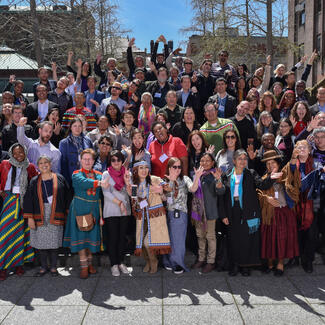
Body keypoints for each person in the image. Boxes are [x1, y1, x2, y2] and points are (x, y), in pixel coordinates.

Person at [219, 149, 274, 276]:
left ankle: (245, 266)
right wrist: (223, 215)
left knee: (247, 239)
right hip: (232, 210)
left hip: (248, 210)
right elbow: (221, 197)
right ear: (234, 161)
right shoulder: (226, 174)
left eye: (245, 159)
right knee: (233, 239)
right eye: (240, 158)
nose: (242, 161)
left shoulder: (251, 173)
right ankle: (235, 265)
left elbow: (262, 185)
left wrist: (271, 176)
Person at [63, 149, 109, 279]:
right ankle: (83, 267)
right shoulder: (76, 174)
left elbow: (108, 182)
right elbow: (82, 183)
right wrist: (99, 183)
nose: (88, 161)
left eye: (90, 159)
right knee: (82, 237)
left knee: (90, 237)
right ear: (80, 160)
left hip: (94, 209)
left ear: (94, 161)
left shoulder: (99, 174)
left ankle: (89, 264)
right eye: (85, 159)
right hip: (80, 208)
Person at [23, 156, 70, 277]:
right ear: (38, 166)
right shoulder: (34, 181)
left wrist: (68, 212)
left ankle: (54, 267)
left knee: (54, 243)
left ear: (50, 164)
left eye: (46, 162)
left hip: (56, 213)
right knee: (41, 244)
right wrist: (30, 218)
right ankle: (43, 267)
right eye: (41, 163)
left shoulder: (60, 178)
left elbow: (67, 196)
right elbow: (28, 200)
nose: (44, 165)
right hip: (40, 214)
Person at [257, 150, 299, 276]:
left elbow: (292, 169)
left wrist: (293, 157)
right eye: (268, 164)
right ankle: (270, 263)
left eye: (273, 163)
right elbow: (258, 193)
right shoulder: (264, 179)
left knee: (282, 239)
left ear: (278, 164)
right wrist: (266, 198)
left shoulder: (285, 175)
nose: (270, 166)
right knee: (269, 239)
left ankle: (280, 264)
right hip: (269, 214)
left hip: (284, 212)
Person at [0, 144, 38, 281]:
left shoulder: (30, 166)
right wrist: (1, 191)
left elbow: (35, 182)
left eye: (21, 152)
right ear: (11, 153)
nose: (18, 155)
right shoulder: (5, 164)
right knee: (5, 234)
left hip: (24, 202)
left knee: (22, 234)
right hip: (9, 201)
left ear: (25, 152)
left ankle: (18, 265)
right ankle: (2, 267)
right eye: (15, 153)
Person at [129, 160, 171, 274]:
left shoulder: (155, 179)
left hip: (155, 216)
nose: (144, 170)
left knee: (148, 242)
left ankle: (154, 261)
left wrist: (162, 190)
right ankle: (147, 261)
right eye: (140, 168)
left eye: (146, 167)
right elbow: (134, 203)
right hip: (142, 218)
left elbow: (168, 189)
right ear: (136, 171)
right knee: (141, 243)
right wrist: (139, 202)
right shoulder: (134, 185)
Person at [162, 157, 203, 274]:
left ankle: (177, 264)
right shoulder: (164, 179)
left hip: (180, 213)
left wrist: (197, 177)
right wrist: (169, 182)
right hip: (167, 213)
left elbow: (193, 189)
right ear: (169, 168)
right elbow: (164, 198)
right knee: (168, 238)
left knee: (178, 240)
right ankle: (168, 261)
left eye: (179, 167)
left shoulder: (184, 179)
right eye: (174, 167)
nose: (177, 169)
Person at [191, 153, 225, 273]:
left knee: (210, 237)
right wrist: (196, 177)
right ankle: (201, 258)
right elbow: (192, 190)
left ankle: (211, 261)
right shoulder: (196, 174)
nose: (204, 163)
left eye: (207, 161)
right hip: (198, 212)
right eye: (202, 161)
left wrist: (218, 180)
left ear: (212, 163)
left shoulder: (214, 175)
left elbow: (221, 191)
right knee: (200, 236)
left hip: (210, 212)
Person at [287, 141, 317, 273]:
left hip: (312, 204)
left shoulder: (316, 163)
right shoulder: (292, 163)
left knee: (311, 234)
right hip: (295, 204)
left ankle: (308, 260)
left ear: (310, 150)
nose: (302, 149)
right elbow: (290, 175)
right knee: (295, 233)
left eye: (305, 147)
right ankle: (295, 258)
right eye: (299, 147)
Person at [102, 150, 131, 276]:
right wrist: (119, 203)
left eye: (118, 160)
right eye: (113, 160)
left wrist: (127, 181)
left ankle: (121, 262)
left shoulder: (126, 172)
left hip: (125, 210)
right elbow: (106, 192)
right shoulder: (106, 174)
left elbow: (131, 193)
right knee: (113, 238)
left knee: (122, 238)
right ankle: (114, 263)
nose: (116, 162)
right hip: (112, 209)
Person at [59, 117, 93, 186]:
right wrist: (67, 181)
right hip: (71, 177)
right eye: (75, 126)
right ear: (70, 127)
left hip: (87, 176)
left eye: (79, 126)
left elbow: (93, 157)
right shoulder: (64, 143)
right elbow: (63, 163)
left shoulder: (88, 140)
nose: (77, 128)